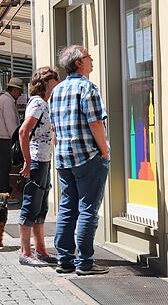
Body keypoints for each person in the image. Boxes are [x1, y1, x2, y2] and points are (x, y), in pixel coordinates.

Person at [50, 45, 110, 276]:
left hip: (65, 158)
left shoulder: (57, 91)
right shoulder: (88, 88)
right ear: (78, 63)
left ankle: (64, 260)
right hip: (88, 156)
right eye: (88, 56)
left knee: (67, 208)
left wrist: (61, 149)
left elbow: (54, 127)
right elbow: (96, 123)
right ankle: (84, 263)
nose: (92, 59)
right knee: (87, 210)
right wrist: (104, 151)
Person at [17, 67, 61, 267]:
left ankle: (41, 249)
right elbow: (23, 131)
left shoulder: (44, 103)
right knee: (31, 205)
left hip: (43, 160)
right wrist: (27, 160)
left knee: (41, 206)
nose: (58, 82)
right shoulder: (38, 103)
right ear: (45, 82)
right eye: (55, 79)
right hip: (36, 160)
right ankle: (25, 252)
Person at [0, 77, 24, 198]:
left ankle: (4, 192)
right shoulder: (8, 102)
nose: (21, 94)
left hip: (0, 138)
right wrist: (18, 140)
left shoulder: (4, 100)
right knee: (5, 167)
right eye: (19, 91)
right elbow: (11, 126)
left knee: (4, 167)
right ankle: (4, 193)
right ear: (14, 90)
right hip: (4, 139)